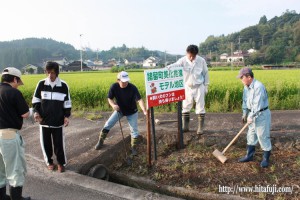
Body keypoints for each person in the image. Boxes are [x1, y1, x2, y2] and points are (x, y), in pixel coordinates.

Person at [95, 71, 147, 155]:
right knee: (108, 124)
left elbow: (139, 100)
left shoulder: (132, 88)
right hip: (119, 110)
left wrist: (144, 110)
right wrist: (113, 105)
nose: (125, 83)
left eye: (126, 81)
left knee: (134, 130)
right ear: (118, 80)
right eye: (123, 81)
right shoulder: (114, 87)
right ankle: (100, 141)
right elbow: (110, 98)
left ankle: (133, 148)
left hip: (132, 111)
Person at [32, 61, 71, 173]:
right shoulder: (41, 84)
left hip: (58, 121)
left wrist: (66, 116)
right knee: (46, 143)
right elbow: (36, 101)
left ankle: (61, 163)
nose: (50, 75)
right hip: (43, 121)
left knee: (59, 144)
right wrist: (36, 112)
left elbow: (67, 103)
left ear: (57, 72)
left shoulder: (63, 86)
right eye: (48, 72)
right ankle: (49, 162)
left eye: (52, 72)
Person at [0, 67, 31, 200]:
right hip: (8, 136)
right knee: (15, 170)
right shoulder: (13, 93)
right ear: (14, 79)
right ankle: (16, 198)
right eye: (18, 83)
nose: (18, 86)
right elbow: (25, 114)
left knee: (0, 169)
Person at [166, 45, 209, 134]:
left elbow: (206, 73)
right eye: (190, 55)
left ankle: (200, 128)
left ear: (196, 54)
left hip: (199, 86)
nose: (192, 57)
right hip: (187, 86)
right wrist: (169, 67)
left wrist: (206, 86)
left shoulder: (201, 61)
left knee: (200, 107)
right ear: (187, 53)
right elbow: (176, 65)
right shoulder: (182, 60)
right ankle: (185, 127)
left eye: (193, 56)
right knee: (185, 106)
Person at [237, 67, 272, 168]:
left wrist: (250, 116)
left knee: (262, 136)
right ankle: (249, 155)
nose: (241, 80)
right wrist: (245, 113)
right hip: (251, 114)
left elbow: (257, 105)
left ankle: (266, 158)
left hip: (261, 114)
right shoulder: (246, 86)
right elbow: (245, 100)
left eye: (242, 77)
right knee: (251, 135)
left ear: (249, 77)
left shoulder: (258, 87)